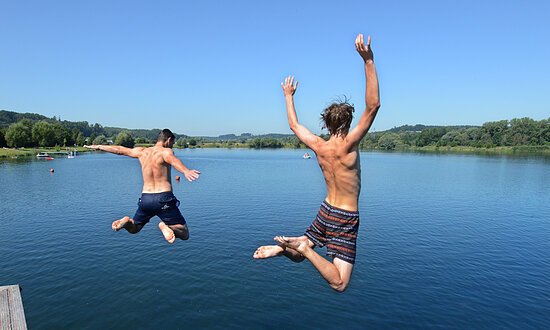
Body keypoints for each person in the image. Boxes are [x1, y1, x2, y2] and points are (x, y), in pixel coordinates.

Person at [253, 34, 380, 292]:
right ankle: (302, 247)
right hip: (345, 216)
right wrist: (368, 60)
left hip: (326, 210)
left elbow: (294, 125)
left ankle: (285, 249)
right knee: (340, 283)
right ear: (347, 123)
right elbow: (373, 106)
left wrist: (288, 95)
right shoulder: (349, 144)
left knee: (301, 254)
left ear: (327, 124)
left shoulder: (319, 147)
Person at [85, 129, 200, 243]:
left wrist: (99, 146)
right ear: (169, 140)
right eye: (172, 143)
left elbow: (120, 150)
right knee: (184, 234)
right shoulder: (166, 151)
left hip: (146, 199)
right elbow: (174, 161)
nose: (172, 146)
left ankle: (126, 223)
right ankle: (166, 227)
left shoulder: (142, 151)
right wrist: (185, 171)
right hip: (164, 198)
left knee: (135, 228)